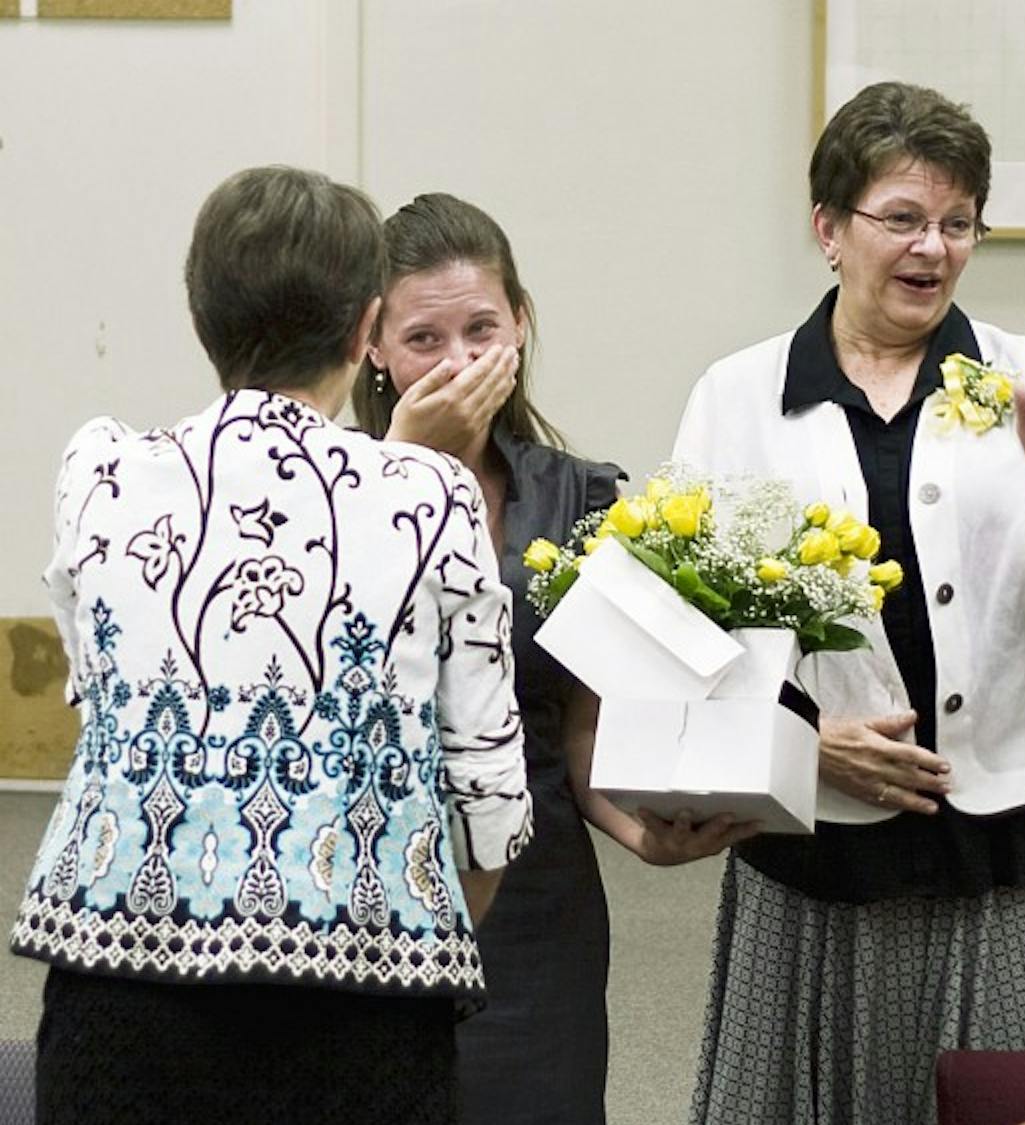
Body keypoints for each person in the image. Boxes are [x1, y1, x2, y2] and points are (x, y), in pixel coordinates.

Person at [9, 166, 533, 1125]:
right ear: (363, 328)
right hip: (364, 1004)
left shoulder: (100, 470)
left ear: (203, 315)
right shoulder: (432, 493)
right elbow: (489, 793)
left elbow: (98, 694)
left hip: (117, 991)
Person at [672, 81, 1025, 1124]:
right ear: (828, 229)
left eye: (957, 223)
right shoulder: (740, 396)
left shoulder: (1014, 378)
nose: (932, 248)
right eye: (901, 219)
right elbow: (690, 623)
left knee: (1007, 1099)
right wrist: (805, 738)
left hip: (1003, 812)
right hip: (816, 822)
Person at [352, 192, 757, 1125]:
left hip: (533, 900)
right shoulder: (329, 497)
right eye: (424, 339)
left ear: (522, 325)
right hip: (362, 887)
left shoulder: (578, 499)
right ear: (373, 343)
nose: (458, 363)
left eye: (482, 329)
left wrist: (645, 833)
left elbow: (579, 732)